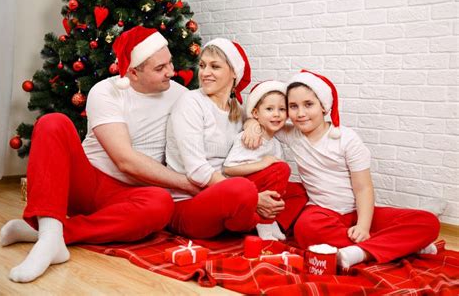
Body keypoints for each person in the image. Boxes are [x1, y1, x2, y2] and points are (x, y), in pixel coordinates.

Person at [0, 26, 198, 283]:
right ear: (133, 72)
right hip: (89, 182)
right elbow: (124, 160)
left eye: (169, 63)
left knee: (160, 204)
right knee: (52, 122)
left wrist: (251, 122)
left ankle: (51, 235)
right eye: (160, 68)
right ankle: (49, 239)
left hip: (129, 195)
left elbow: (216, 114)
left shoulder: (181, 95)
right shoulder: (106, 91)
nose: (171, 72)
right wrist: (186, 183)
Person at [272, 69, 440, 268]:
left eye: (308, 104)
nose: (300, 113)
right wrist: (251, 125)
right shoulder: (293, 136)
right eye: (293, 106)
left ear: (324, 107)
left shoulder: (346, 139)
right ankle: (403, 247)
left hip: (356, 212)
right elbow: (264, 120)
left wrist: (363, 225)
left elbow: (363, 188)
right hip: (322, 213)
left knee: (428, 221)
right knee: (305, 228)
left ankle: (361, 251)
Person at [165, 39, 306, 239]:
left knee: (296, 189)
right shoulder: (191, 102)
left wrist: (252, 124)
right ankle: (251, 219)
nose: (205, 73)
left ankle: (258, 222)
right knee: (242, 188)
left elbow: (254, 121)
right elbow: (197, 171)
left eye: (214, 66)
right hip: (190, 202)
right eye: (203, 66)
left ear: (234, 73)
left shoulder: (238, 110)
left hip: (231, 191)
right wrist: (254, 198)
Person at [223, 80, 290, 241]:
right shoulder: (248, 138)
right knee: (281, 168)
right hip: (240, 189)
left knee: (297, 189)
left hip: (262, 189)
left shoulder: (275, 143)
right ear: (255, 113)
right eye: (269, 109)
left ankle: (273, 221)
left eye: (282, 109)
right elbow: (228, 169)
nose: (276, 114)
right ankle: (265, 223)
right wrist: (263, 164)